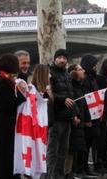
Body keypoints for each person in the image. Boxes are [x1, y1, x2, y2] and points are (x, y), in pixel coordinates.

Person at [0, 53, 26, 179]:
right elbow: (9, 105)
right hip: (6, 128)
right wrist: (22, 94)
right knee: (7, 158)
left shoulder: (3, 80)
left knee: (7, 158)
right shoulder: (3, 83)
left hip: (5, 126)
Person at [47, 49, 75, 179]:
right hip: (56, 118)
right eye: (59, 57)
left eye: (64, 58)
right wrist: (62, 100)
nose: (62, 60)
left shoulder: (67, 75)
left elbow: (71, 95)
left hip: (67, 118)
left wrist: (73, 114)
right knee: (53, 151)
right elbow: (49, 93)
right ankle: (49, 176)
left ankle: (58, 176)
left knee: (63, 151)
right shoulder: (50, 73)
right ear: (55, 59)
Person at [67, 64, 93, 178]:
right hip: (75, 122)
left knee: (78, 148)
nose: (83, 71)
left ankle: (76, 172)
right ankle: (73, 172)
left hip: (80, 121)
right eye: (80, 69)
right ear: (74, 72)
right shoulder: (72, 86)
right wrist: (75, 116)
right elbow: (72, 103)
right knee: (73, 148)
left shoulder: (79, 86)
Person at [80, 54, 103, 175]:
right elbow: (86, 100)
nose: (95, 67)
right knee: (86, 144)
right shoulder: (86, 80)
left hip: (95, 116)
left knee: (92, 142)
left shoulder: (92, 78)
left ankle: (89, 167)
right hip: (89, 117)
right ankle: (85, 168)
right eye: (94, 65)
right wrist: (88, 118)